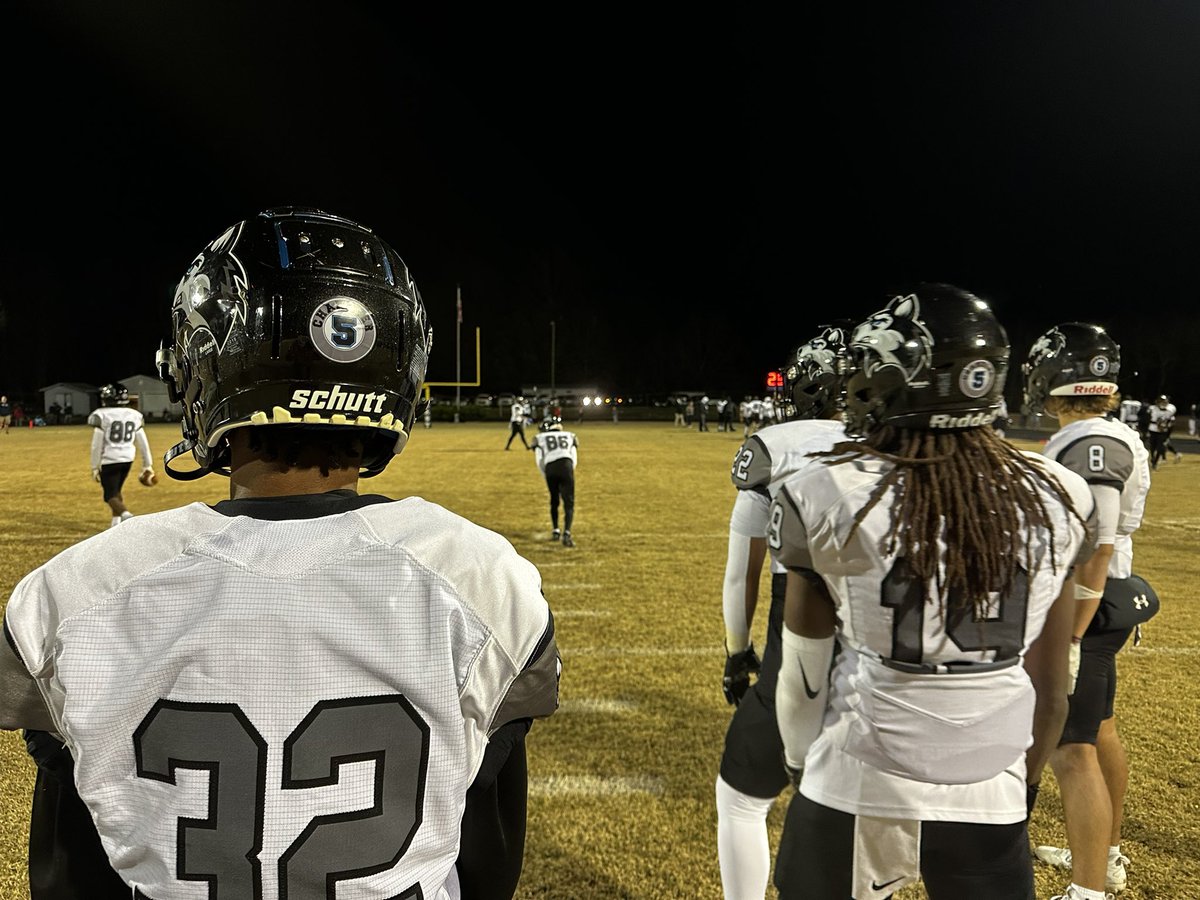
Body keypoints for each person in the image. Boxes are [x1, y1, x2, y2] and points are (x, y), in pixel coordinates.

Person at [0, 207, 561, 900]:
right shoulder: (484, 583)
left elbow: (68, 873)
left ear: (205, 362)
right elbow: (488, 863)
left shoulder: (76, 595)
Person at [768, 285, 1096, 900]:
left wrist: (796, 760)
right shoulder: (1060, 494)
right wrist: (1016, 788)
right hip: (991, 787)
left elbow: (804, 676)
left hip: (857, 776)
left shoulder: (829, 489)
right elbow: (1052, 692)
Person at [716, 324, 852, 900]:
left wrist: (735, 652)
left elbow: (741, 571)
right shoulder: (895, 441)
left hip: (797, 617)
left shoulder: (776, 445)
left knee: (743, 795)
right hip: (881, 631)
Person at [1023, 322, 1151, 899]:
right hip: (1101, 605)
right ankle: (1108, 856)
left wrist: (1070, 638)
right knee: (1098, 731)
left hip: (1087, 610)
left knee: (1071, 750)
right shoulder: (1104, 434)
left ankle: (1089, 890)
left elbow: (1095, 548)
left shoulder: (1091, 443)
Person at [88, 382, 155, 528]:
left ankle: (127, 517)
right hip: (127, 459)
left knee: (110, 496)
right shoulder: (135, 415)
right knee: (116, 491)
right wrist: (147, 464)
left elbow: (96, 445)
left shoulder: (101, 415)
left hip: (110, 459)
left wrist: (94, 466)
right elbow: (143, 442)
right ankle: (115, 524)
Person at [530, 415, 578, 547]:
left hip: (550, 468)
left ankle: (556, 530)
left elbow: (539, 458)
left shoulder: (540, 438)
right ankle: (567, 534)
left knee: (554, 500)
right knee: (569, 503)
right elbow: (574, 454)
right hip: (566, 466)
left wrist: (546, 473)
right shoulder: (570, 435)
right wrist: (569, 470)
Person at [1145, 394, 1179, 468]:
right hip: (1153, 429)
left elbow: (1171, 421)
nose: (1163, 402)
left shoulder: (1170, 409)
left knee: (1160, 446)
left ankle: (1155, 462)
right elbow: (1147, 419)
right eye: (1161, 401)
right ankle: (1153, 458)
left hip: (1163, 431)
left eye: (1164, 401)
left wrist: (1166, 426)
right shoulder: (1152, 409)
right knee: (1152, 446)